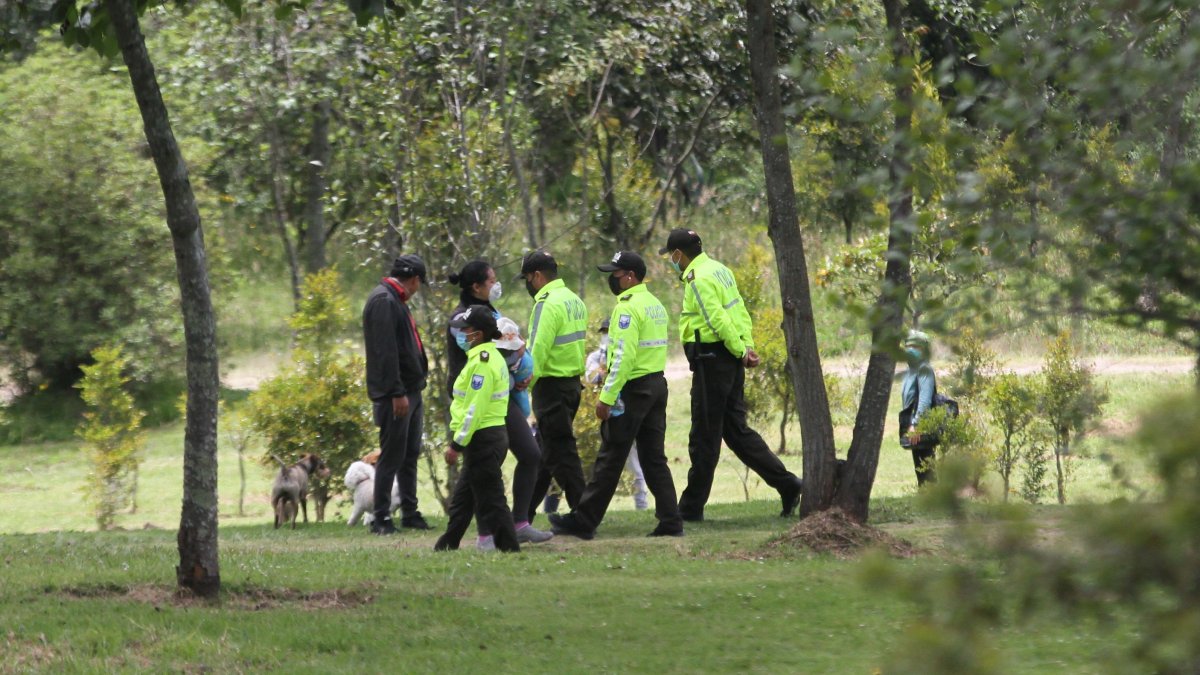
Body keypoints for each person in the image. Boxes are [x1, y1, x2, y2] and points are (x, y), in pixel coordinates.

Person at [659, 229, 803, 522]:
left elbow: (716, 318)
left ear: (678, 254)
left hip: (712, 360)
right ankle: (788, 484)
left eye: (671, 257)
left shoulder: (697, 278)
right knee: (737, 433)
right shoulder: (720, 270)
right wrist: (745, 346)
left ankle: (689, 509)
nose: (671, 263)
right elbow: (739, 312)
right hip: (728, 359)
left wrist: (739, 350)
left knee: (704, 435)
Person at [549, 251, 683, 539]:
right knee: (653, 457)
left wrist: (607, 396)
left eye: (616, 273)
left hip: (633, 390)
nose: (613, 279)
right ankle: (671, 520)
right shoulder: (655, 304)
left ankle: (584, 521)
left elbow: (622, 356)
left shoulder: (627, 308)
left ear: (630, 276)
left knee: (611, 455)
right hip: (657, 385)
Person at [441, 261, 552, 549]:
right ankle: (487, 535)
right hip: (482, 400)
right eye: (491, 281)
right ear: (476, 286)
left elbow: (506, 347)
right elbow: (483, 356)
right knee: (483, 473)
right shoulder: (463, 320)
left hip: (498, 397)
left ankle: (515, 525)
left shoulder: (490, 313)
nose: (496, 284)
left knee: (523, 457)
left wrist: (518, 362)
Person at [433, 306, 521, 553]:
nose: (463, 334)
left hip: (483, 437)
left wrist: (457, 444)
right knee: (464, 497)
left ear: (479, 334)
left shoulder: (483, 363)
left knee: (492, 500)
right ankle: (448, 543)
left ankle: (510, 548)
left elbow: (475, 407)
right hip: (487, 436)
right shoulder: (486, 357)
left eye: (467, 330)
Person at [362, 254, 431, 535]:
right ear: (414, 280)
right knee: (391, 455)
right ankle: (381, 517)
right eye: (418, 283)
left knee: (409, 453)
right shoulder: (384, 301)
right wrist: (396, 392)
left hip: (411, 390)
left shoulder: (394, 299)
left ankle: (409, 511)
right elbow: (385, 352)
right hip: (398, 394)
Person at [518, 250, 589, 523]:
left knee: (561, 452)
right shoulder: (574, 300)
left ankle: (584, 514)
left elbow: (538, 350)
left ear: (537, 276)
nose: (527, 284)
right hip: (572, 386)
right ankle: (522, 515)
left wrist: (523, 384)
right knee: (544, 455)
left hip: (550, 389)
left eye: (526, 278)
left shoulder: (545, 304)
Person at [585, 318, 649, 510]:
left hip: (623, 414)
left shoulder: (626, 355)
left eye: (608, 331)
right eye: (603, 332)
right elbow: (592, 377)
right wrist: (606, 368)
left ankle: (642, 506)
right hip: (601, 416)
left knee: (634, 464)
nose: (605, 336)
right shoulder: (595, 358)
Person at [899, 330, 938, 486]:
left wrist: (917, 424)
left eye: (915, 346)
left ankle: (931, 496)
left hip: (920, 425)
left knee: (925, 464)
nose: (911, 349)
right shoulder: (912, 370)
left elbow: (924, 400)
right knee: (920, 464)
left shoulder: (924, 370)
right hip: (911, 423)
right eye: (908, 346)